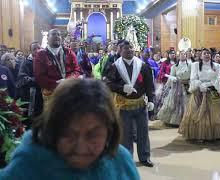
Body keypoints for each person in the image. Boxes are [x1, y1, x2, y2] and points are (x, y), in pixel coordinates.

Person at [0, 79, 140, 179]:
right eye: (68, 134)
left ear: (109, 131)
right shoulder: (28, 165)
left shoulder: (121, 163)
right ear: (52, 129)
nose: (81, 148)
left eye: (93, 135)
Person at [105, 40, 155, 167]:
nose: (130, 50)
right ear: (120, 51)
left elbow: (149, 85)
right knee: (125, 135)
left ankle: (145, 157)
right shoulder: (115, 66)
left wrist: (151, 100)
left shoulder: (142, 66)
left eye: (131, 48)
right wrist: (122, 88)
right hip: (124, 106)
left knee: (143, 132)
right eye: (126, 48)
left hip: (140, 104)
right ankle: (127, 160)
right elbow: (108, 83)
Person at [179, 48, 220, 141]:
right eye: (205, 53)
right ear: (201, 55)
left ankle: (210, 134)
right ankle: (198, 134)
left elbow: (218, 78)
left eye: (208, 53)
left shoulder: (217, 66)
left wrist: (208, 85)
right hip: (199, 91)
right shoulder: (195, 65)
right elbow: (193, 78)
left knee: (213, 113)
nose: (207, 55)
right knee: (197, 111)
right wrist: (200, 85)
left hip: (212, 90)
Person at [33, 29, 81, 102]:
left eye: (59, 35)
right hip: (51, 92)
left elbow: (77, 70)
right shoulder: (40, 54)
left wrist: (67, 81)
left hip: (69, 89)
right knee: (54, 113)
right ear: (47, 38)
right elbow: (39, 76)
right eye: (54, 34)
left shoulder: (69, 52)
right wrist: (56, 84)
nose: (57, 36)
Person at [158, 50, 191, 126]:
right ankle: (176, 121)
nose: (183, 55)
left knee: (187, 103)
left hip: (187, 86)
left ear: (186, 56)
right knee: (176, 103)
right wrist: (172, 79)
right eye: (181, 54)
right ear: (178, 56)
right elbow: (172, 76)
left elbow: (192, 75)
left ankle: (187, 120)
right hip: (177, 87)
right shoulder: (174, 66)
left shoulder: (190, 65)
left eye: (184, 54)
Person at [16, 42, 43, 119]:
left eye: (39, 48)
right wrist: (39, 80)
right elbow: (22, 78)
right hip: (31, 95)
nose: (37, 50)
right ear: (30, 51)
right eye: (34, 49)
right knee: (31, 118)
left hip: (43, 94)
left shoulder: (44, 61)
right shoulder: (26, 62)